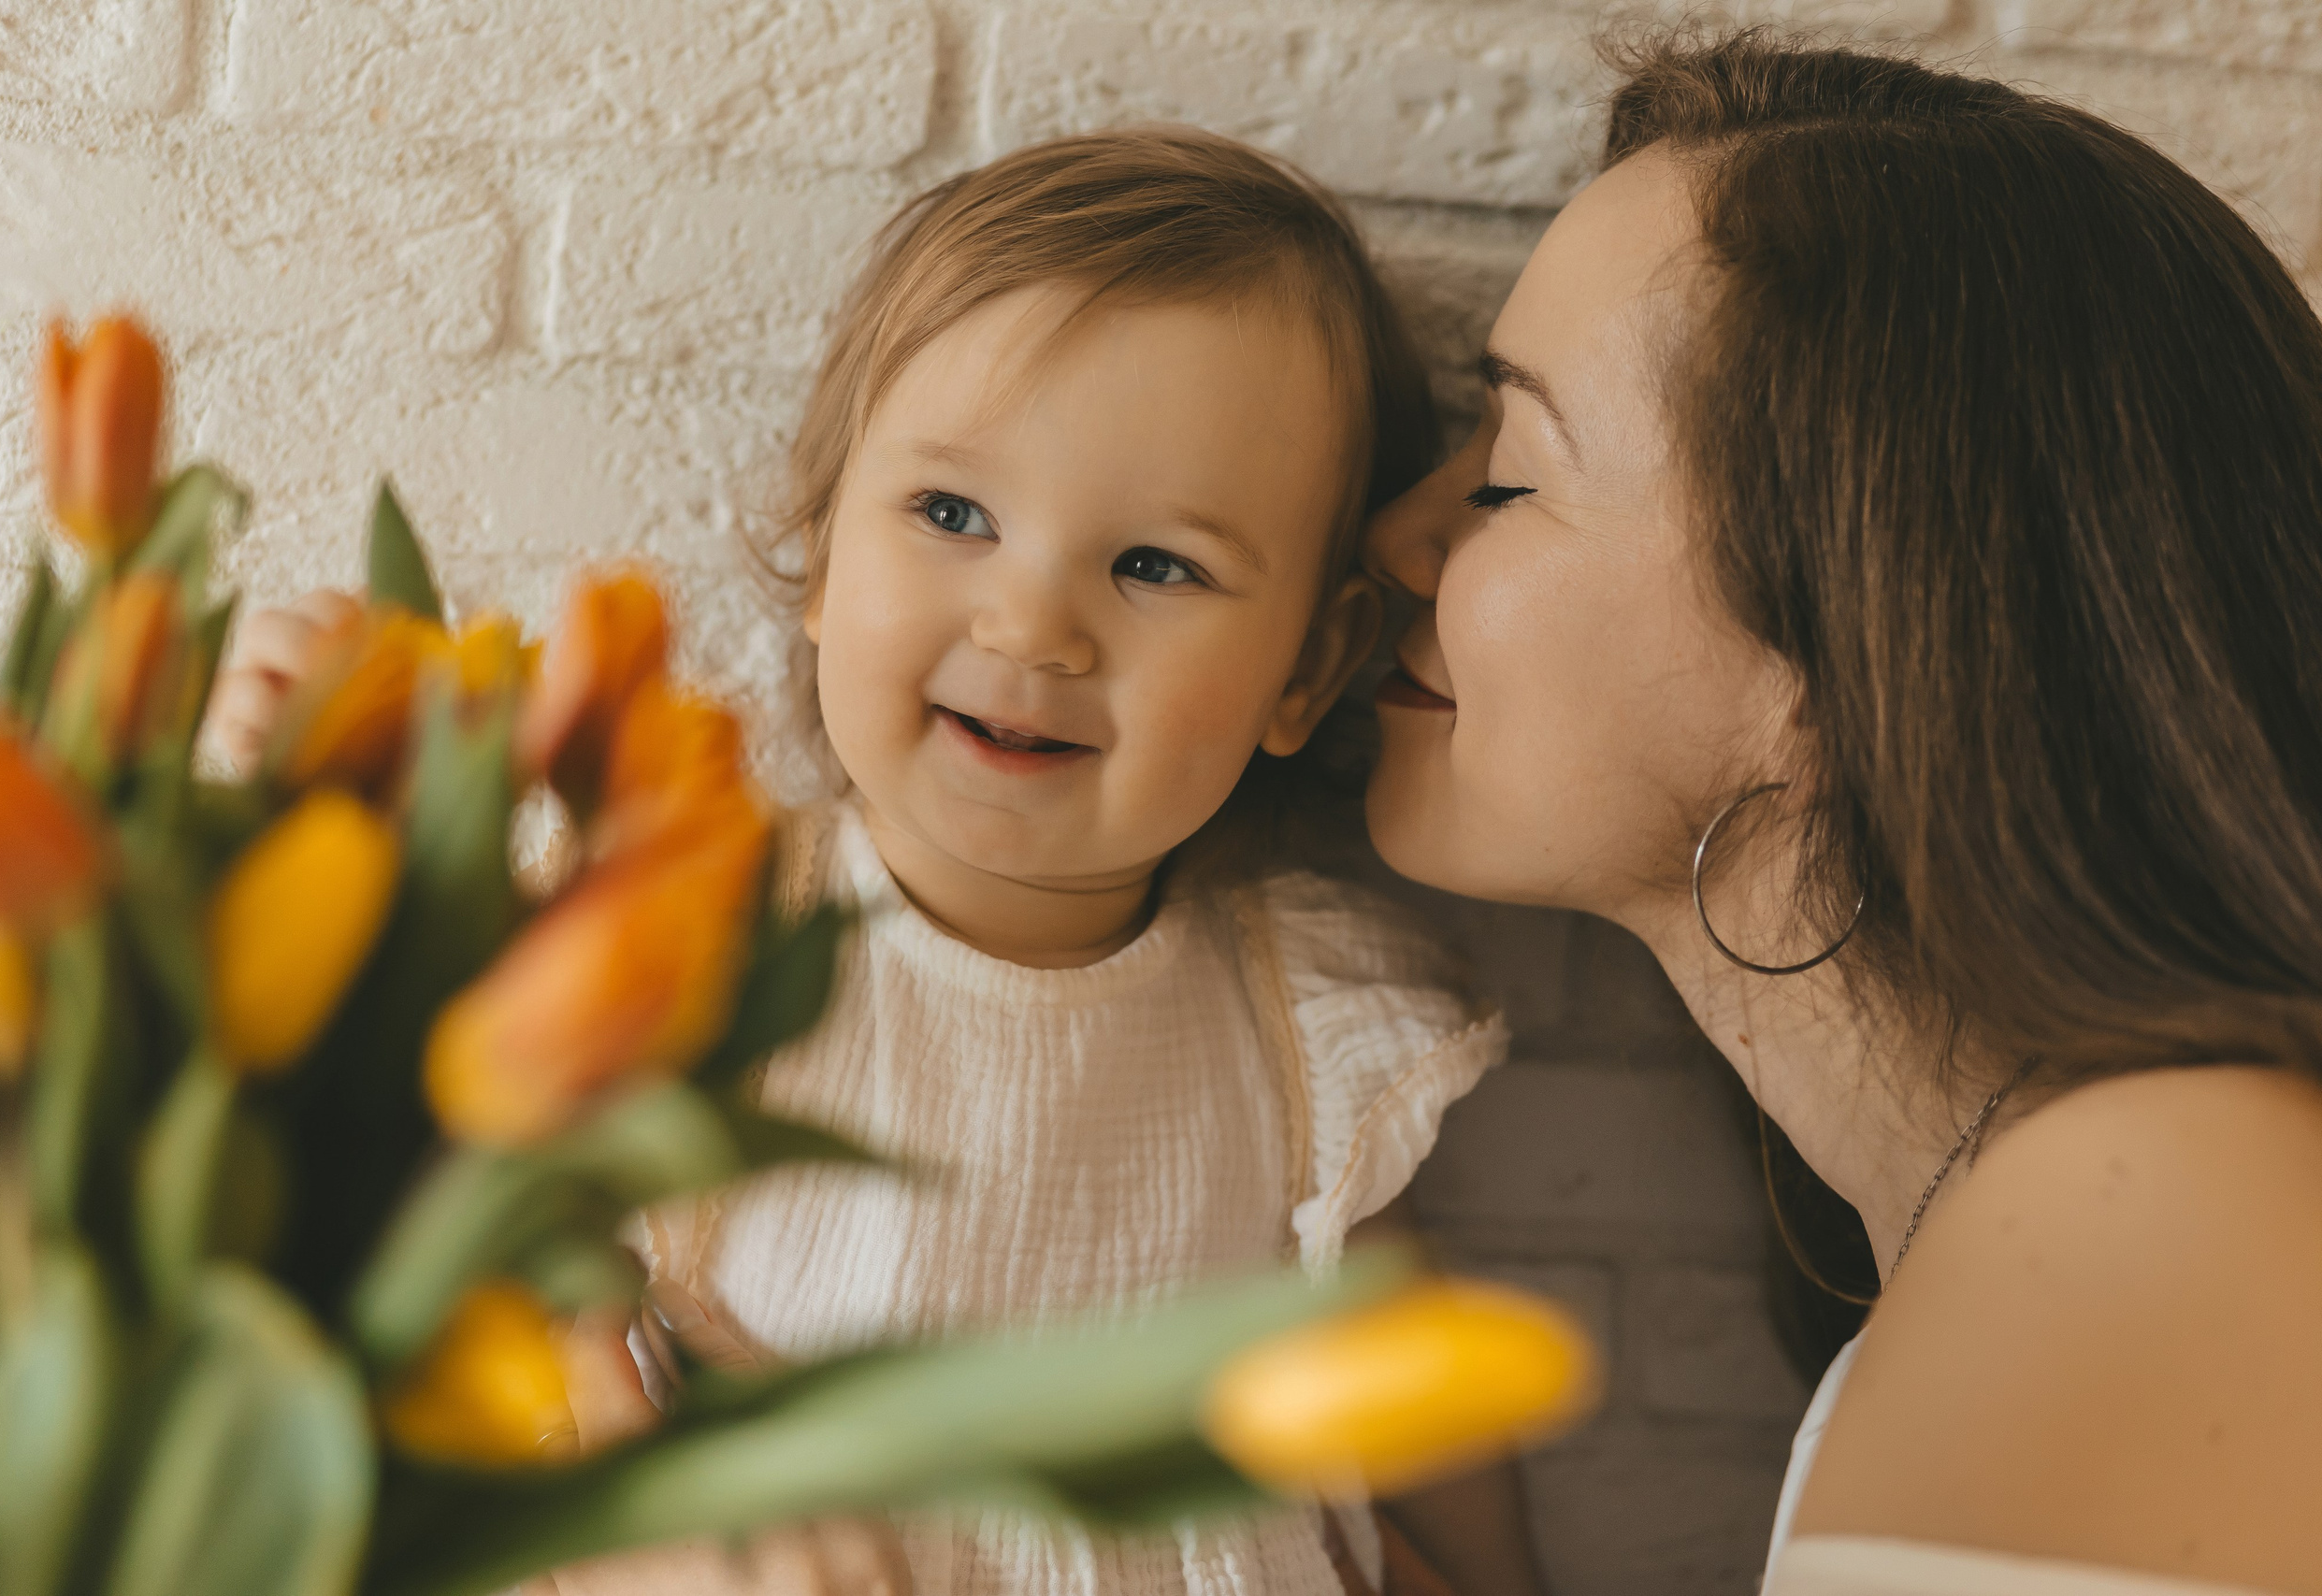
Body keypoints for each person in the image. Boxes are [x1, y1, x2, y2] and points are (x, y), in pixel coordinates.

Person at [208, 129, 1525, 1596]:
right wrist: (346, 796)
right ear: (826, 555)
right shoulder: (691, 923)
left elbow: (1414, 1422)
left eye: (1155, 566)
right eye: (952, 515)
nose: (1033, 629)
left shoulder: (1306, 1022)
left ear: (1310, 664)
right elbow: (444, 1219)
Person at [1363, 30, 2322, 1596]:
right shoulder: (2080, 1206)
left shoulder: (2141, 1215)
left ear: (1840, 640)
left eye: (1508, 475)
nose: (1404, 536)